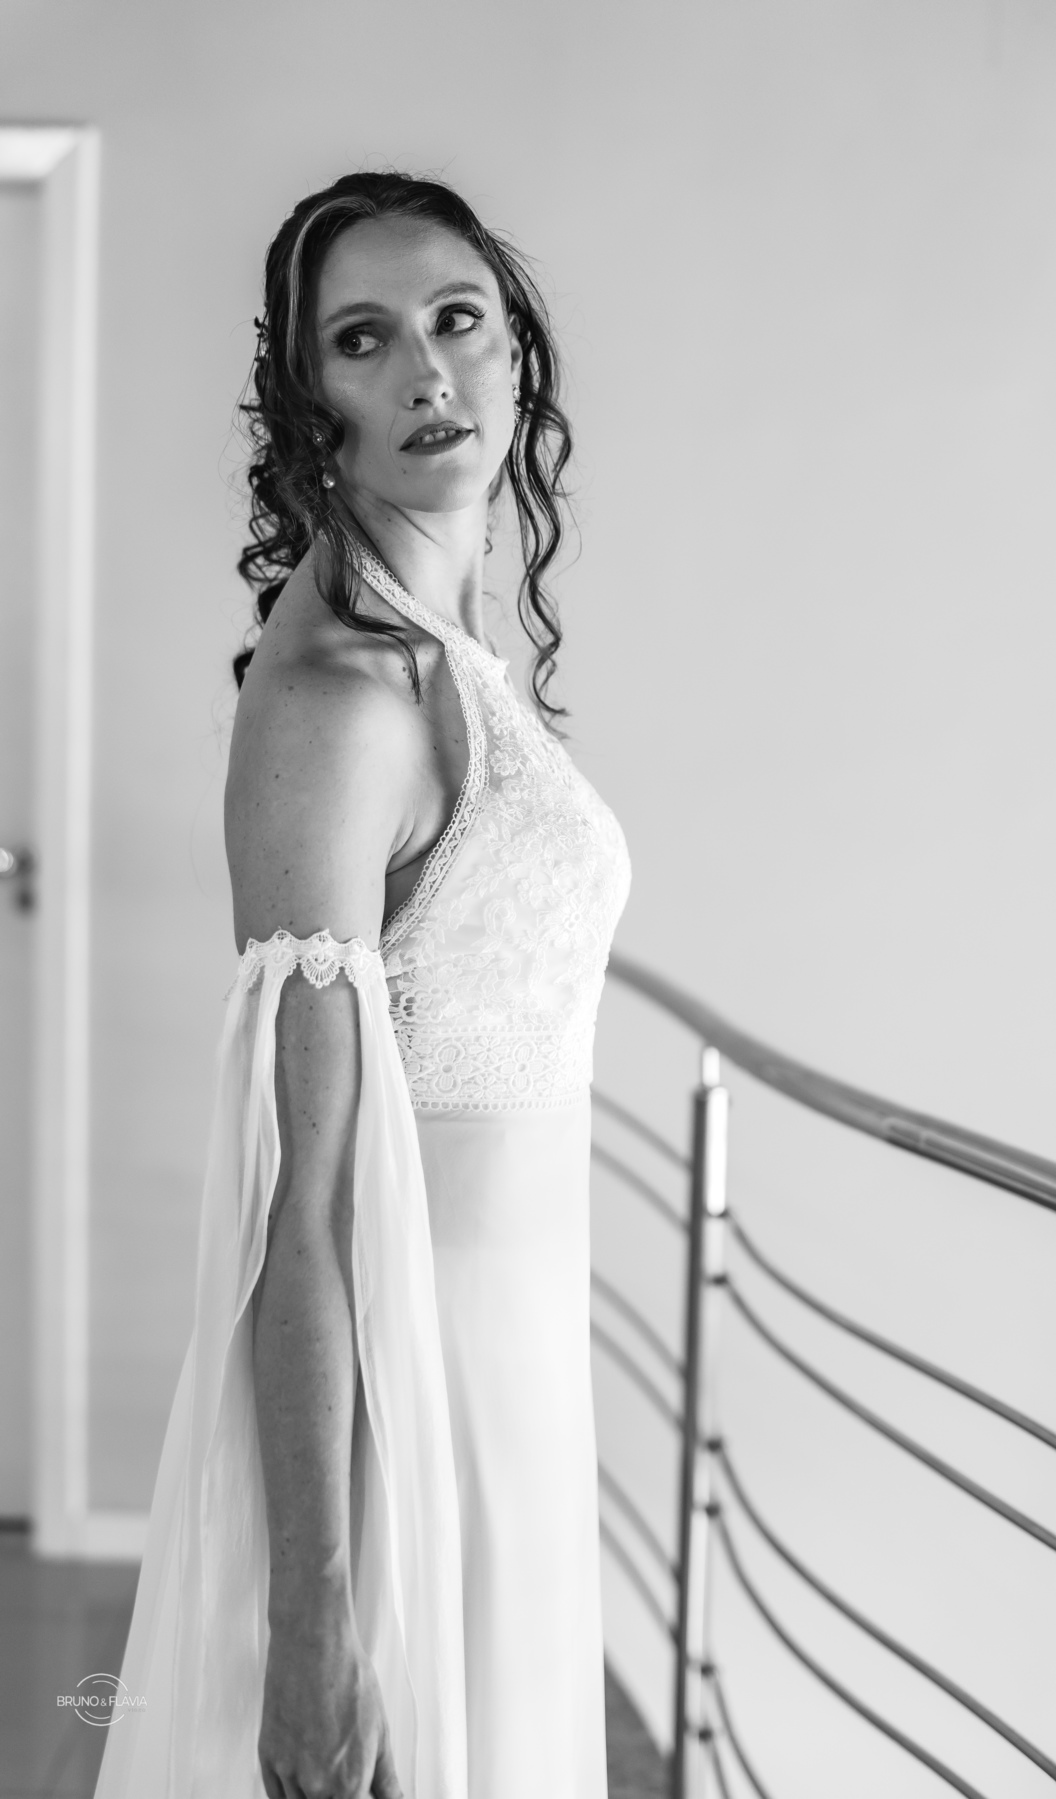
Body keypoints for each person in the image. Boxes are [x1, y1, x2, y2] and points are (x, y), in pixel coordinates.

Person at [95, 170, 630, 1799]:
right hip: (414, 1404)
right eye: (363, 339)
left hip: (519, 1377)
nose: (426, 373)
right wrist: (318, 1625)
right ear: (304, 399)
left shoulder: (442, 647)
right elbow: (303, 1204)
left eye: (457, 320)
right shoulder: (341, 698)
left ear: (516, 350)